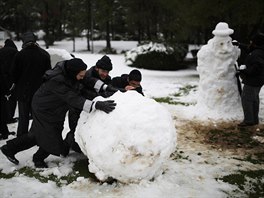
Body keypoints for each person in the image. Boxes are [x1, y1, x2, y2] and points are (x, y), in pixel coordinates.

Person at [1, 58, 116, 168]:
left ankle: (10, 148)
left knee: (37, 134)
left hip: (54, 106)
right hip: (45, 108)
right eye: (80, 75)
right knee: (51, 136)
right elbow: (73, 98)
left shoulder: (70, 71)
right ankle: (38, 158)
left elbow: (86, 79)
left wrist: (106, 87)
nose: (82, 77)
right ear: (73, 73)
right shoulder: (57, 81)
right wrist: (96, 105)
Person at [65, 55, 119, 153]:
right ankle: (66, 144)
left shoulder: (107, 79)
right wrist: (99, 97)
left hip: (93, 109)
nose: (105, 74)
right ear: (97, 68)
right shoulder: (85, 75)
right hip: (78, 109)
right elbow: (82, 93)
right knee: (76, 134)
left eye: (107, 72)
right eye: (103, 71)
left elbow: (108, 91)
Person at [10, 32, 51, 137]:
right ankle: (38, 136)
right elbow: (48, 73)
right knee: (38, 116)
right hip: (39, 91)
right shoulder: (44, 54)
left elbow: (14, 74)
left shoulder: (19, 55)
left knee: (23, 117)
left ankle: (21, 137)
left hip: (23, 91)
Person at [237, 32, 264, 126]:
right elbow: (249, 49)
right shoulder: (259, 50)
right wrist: (239, 45)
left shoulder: (257, 53)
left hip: (253, 81)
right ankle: (254, 120)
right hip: (258, 81)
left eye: (251, 41)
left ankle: (248, 120)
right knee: (254, 99)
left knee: (246, 99)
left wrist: (245, 71)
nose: (250, 42)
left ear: (255, 42)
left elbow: (257, 67)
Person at [0, 39, 18, 140]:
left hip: (2, 81)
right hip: (12, 81)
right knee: (12, 100)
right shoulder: (15, 52)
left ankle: (4, 129)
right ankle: (9, 118)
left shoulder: (1, 52)